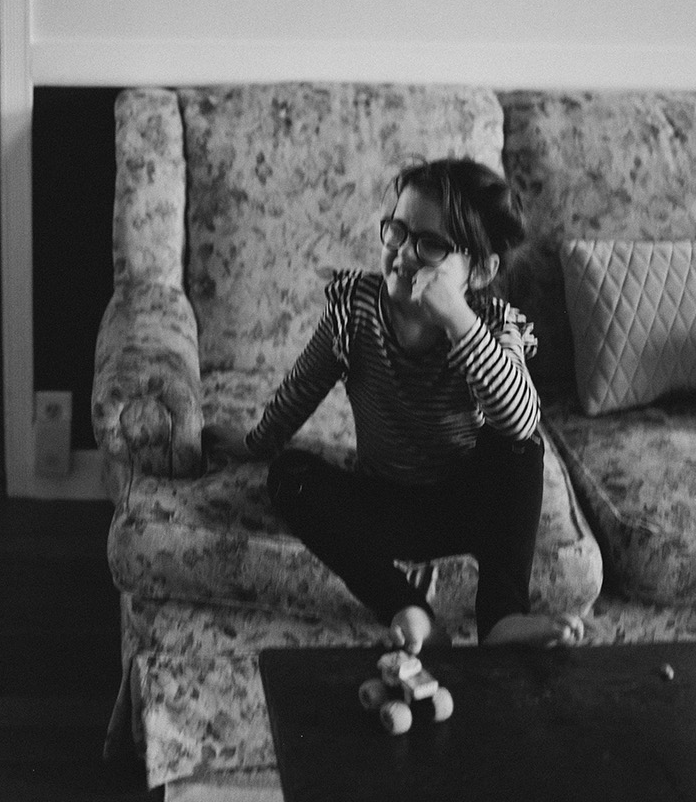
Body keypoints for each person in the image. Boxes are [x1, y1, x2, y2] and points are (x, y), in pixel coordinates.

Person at [203, 157, 588, 653]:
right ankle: (408, 608)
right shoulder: (354, 309)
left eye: (431, 245)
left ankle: (502, 618)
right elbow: (302, 386)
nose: (404, 253)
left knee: (522, 447)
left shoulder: (491, 325)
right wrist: (257, 442)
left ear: (479, 271)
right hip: (386, 503)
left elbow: (519, 420)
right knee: (290, 475)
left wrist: (458, 321)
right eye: (397, 231)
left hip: (468, 505)